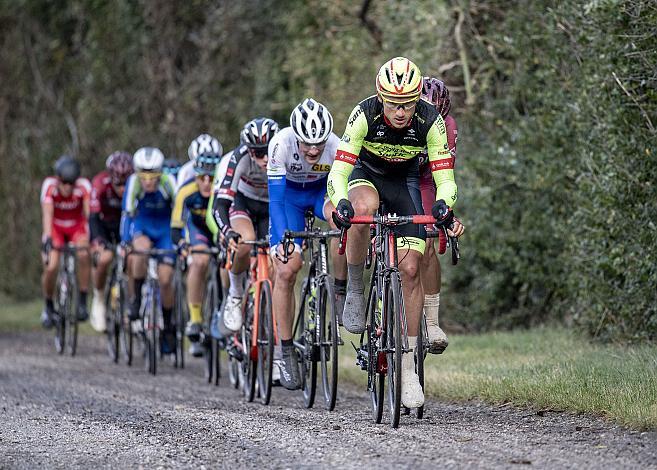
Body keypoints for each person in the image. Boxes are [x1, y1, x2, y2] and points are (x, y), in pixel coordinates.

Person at [326, 57, 463, 408]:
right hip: (366, 176)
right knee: (362, 211)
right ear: (380, 97)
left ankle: (407, 368)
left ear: (418, 99)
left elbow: (445, 178)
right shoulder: (363, 113)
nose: (400, 112)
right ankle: (356, 288)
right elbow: (339, 171)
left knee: (411, 268)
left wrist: (445, 205)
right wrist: (340, 202)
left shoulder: (430, 120)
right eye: (393, 104)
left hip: (405, 184)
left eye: (407, 104)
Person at [267, 98, 346, 390]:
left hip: (319, 194)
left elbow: (341, 192)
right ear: (295, 136)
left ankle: (338, 290)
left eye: (318, 144)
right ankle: (286, 350)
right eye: (306, 144)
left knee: (343, 224)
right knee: (288, 270)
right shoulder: (281, 144)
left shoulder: (336, 146)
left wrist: (341, 215)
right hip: (288, 200)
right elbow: (275, 200)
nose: (313, 150)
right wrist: (285, 238)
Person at [207, 118, 279, 334]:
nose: (265, 158)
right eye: (258, 153)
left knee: (279, 259)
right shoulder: (236, 158)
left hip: (270, 207)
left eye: (268, 150)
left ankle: (269, 317)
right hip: (243, 203)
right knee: (244, 241)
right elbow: (219, 204)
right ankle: (235, 295)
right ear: (248, 151)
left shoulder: (285, 152)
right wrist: (227, 231)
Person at [418, 77, 463, 353]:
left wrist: (447, 215)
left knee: (427, 243)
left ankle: (432, 322)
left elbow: (444, 178)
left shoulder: (448, 127)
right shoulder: (403, 117)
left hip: (425, 179)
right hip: (395, 175)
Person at [121, 147, 177, 355]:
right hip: (142, 226)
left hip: (164, 230)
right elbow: (127, 213)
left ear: (160, 173)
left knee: (165, 279)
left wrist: (181, 240)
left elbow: (181, 210)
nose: (147, 181)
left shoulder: (169, 182)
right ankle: (135, 300)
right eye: (143, 175)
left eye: (152, 176)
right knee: (140, 252)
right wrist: (125, 241)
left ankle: (169, 325)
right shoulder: (133, 183)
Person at [171, 150, 222, 357]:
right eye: (203, 177)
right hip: (198, 231)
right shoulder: (186, 191)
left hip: (219, 229)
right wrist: (182, 244)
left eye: (212, 178)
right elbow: (175, 227)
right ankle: (195, 318)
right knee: (199, 261)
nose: (207, 183)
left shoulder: (223, 188)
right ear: (196, 176)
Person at [40, 155, 92, 327]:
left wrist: (91, 238)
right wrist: (47, 238)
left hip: (77, 228)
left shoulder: (83, 187)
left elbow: (88, 215)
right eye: (64, 183)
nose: (67, 187)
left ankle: (83, 301)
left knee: (84, 254)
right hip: (56, 228)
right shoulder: (50, 186)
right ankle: (48, 306)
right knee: (51, 265)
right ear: (58, 179)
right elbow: (47, 213)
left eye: (71, 183)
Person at [89, 151, 134, 332]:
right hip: (104, 227)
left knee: (133, 260)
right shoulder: (100, 184)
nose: (122, 189)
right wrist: (99, 240)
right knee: (105, 258)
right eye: (118, 184)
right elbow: (92, 217)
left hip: (125, 226)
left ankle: (131, 304)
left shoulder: (136, 185)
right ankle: (99, 299)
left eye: (126, 183)